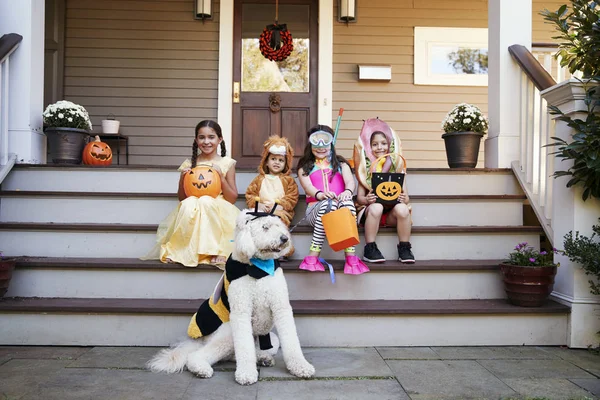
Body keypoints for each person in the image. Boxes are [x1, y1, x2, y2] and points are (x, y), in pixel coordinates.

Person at [143, 120, 239, 268]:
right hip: (193, 204)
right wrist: (182, 179)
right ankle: (181, 250)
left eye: (211, 137)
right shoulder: (189, 164)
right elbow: (182, 197)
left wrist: (220, 177)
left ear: (219, 139)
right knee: (188, 203)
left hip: (216, 206)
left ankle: (214, 250)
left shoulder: (227, 163)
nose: (206, 141)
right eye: (202, 137)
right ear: (196, 140)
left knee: (206, 201)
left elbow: (232, 198)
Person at [296, 124, 369, 275]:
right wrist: (320, 195)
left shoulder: (341, 164)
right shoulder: (305, 167)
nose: (321, 146)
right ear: (310, 144)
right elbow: (308, 187)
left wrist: (347, 192)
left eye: (325, 141)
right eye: (316, 142)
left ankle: (351, 257)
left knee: (348, 204)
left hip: (340, 211)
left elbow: (350, 182)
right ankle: (312, 256)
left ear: (332, 143)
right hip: (315, 211)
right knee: (326, 206)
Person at [354, 118, 415, 263]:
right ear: (369, 147)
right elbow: (359, 198)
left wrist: (402, 198)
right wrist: (366, 200)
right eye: (374, 144)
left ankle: (404, 248)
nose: (379, 147)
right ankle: (370, 248)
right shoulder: (365, 170)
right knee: (376, 206)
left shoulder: (398, 169)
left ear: (390, 145)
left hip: (390, 215)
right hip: (372, 214)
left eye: (383, 143)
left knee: (403, 209)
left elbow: (406, 198)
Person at [245, 136, 299, 257]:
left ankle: (282, 248)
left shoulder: (288, 181)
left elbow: (292, 196)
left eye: (281, 160)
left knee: (278, 221)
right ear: (266, 162)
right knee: (257, 221)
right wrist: (260, 205)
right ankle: (260, 246)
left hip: (280, 210)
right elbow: (250, 195)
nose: (276, 162)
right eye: (273, 159)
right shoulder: (259, 180)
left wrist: (281, 205)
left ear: (286, 163)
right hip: (261, 209)